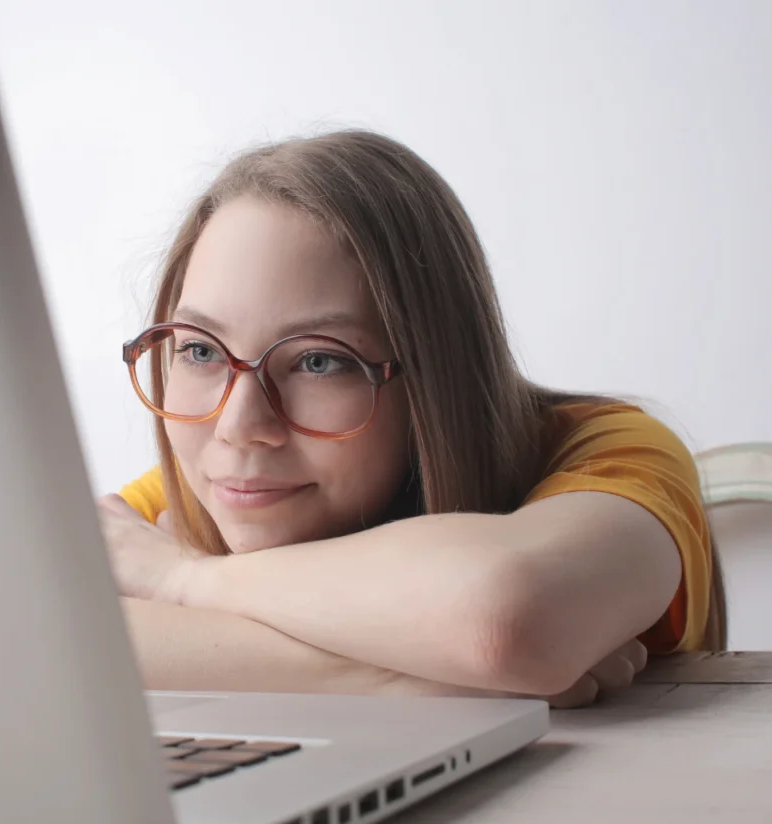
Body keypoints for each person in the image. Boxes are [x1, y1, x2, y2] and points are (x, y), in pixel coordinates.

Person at [97, 130, 723, 707]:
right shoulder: (217, 488)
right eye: (200, 350)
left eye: (319, 361)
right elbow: (28, 637)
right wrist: (420, 675)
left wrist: (185, 581)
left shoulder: (607, 450)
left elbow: (503, 618)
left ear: (433, 373)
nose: (238, 425)